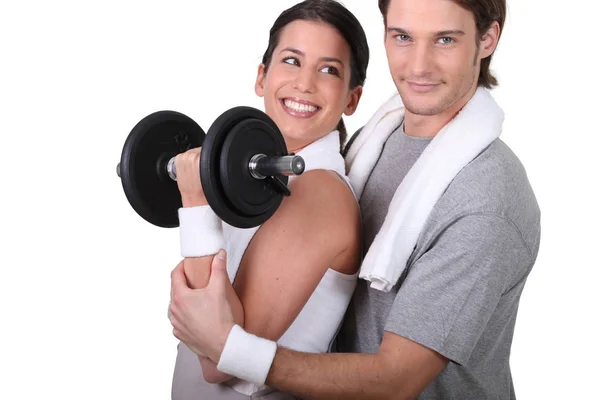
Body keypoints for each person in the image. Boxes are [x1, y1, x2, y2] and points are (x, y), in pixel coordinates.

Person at [168, 0, 542, 399]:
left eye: (445, 39)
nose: (418, 66)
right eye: (402, 37)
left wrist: (232, 351)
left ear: (488, 39)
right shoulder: (374, 141)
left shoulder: (485, 199)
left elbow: (396, 380)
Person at [169, 0, 369, 398]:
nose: (305, 83)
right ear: (262, 76)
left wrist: (195, 204)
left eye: (329, 70)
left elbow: (218, 359)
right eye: (292, 60)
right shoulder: (262, 177)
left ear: (351, 99)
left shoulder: (318, 192)